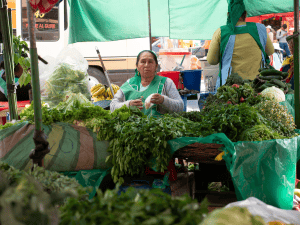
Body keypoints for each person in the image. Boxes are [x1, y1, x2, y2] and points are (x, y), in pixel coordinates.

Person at [207, 0, 274, 85]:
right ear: (245, 14)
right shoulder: (260, 29)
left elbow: (211, 61)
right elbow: (270, 51)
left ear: (228, 14)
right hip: (257, 86)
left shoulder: (221, 32)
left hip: (231, 89)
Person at [110, 50, 184, 115]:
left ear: (156, 66)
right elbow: (112, 106)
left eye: (150, 62)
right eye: (143, 61)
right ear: (137, 66)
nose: (146, 65)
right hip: (132, 129)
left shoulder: (166, 83)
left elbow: (180, 106)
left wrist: (163, 100)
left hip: (159, 129)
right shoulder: (129, 84)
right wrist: (128, 104)